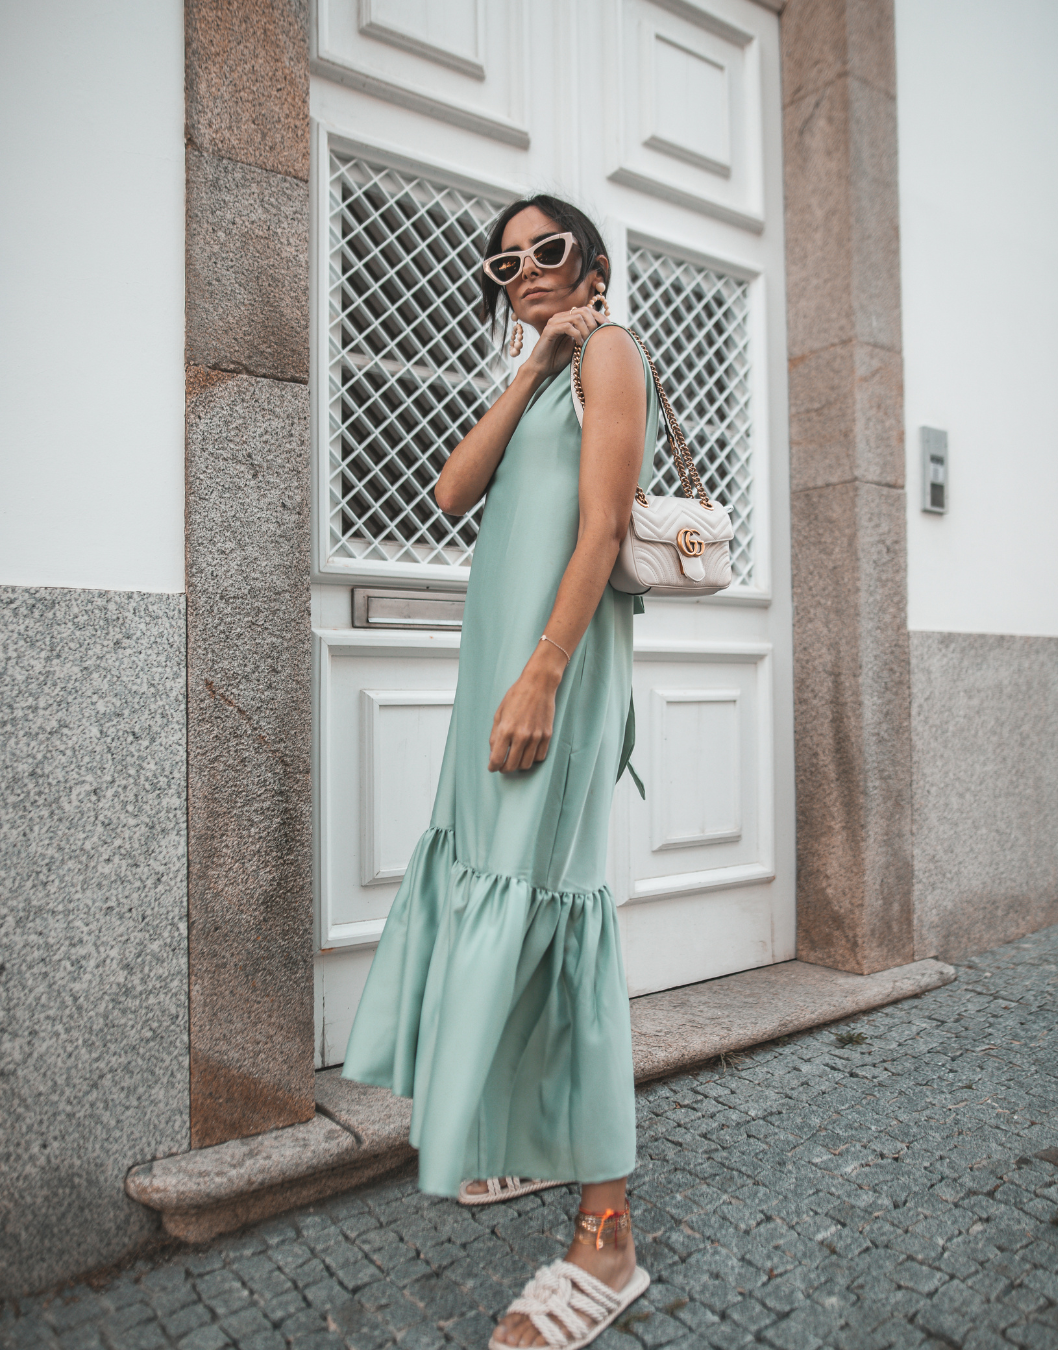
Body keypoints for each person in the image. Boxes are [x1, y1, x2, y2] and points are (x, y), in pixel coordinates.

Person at [341, 194, 659, 1349]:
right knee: (501, 891)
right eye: (505, 262)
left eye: (549, 251)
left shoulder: (614, 356)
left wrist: (544, 676)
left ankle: (608, 1237)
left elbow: (601, 531)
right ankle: (532, 1136)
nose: (525, 270)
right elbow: (450, 491)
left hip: (554, 677)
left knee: (557, 911)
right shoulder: (547, 373)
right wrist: (533, 365)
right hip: (504, 674)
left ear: (594, 262)